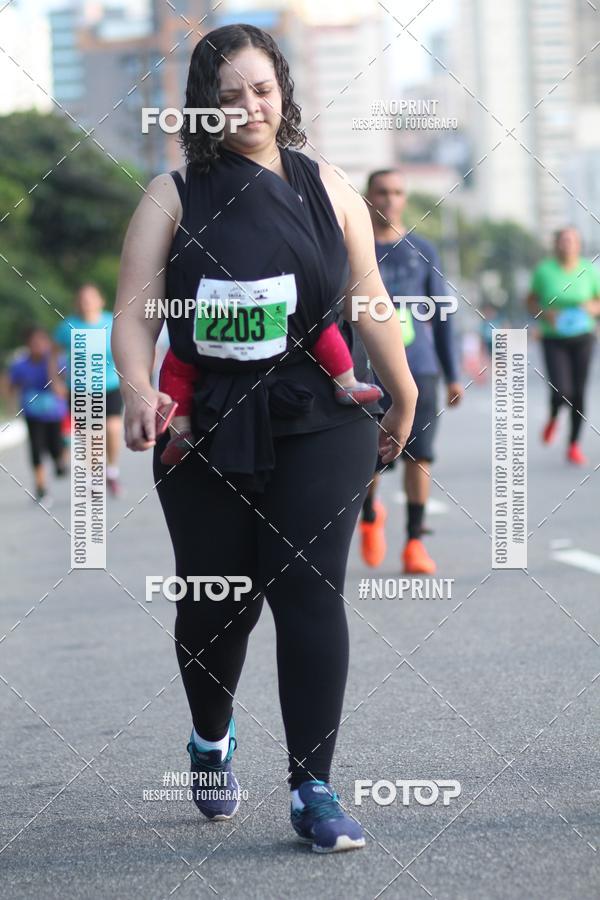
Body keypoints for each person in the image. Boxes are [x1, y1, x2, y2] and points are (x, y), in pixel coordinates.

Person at [112, 24, 417, 853]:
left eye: (261, 90)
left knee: (308, 589)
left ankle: (313, 788)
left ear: (283, 92)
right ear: (202, 108)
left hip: (320, 413)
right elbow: (134, 317)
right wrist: (139, 389)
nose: (248, 107)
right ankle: (210, 739)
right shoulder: (172, 195)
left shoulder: (330, 186)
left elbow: (369, 299)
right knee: (221, 602)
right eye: (228, 95)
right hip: (205, 423)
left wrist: (405, 389)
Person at [359, 169, 463, 574]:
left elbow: (442, 315)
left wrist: (452, 374)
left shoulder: (423, 250)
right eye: (382, 191)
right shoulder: (354, 245)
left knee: (420, 456)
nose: (390, 199)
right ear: (368, 197)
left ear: (405, 199)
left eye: (398, 192)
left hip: (419, 368)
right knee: (369, 458)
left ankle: (415, 542)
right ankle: (370, 513)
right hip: (367, 371)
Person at [158, 324, 383, 465]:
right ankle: (346, 382)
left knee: (176, 364)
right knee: (319, 325)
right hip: (278, 307)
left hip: (212, 316)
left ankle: (180, 431)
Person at [527, 226, 600, 465]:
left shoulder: (589, 270)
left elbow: (598, 302)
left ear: (578, 244)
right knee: (561, 390)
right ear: (556, 244)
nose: (567, 244)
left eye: (572, 240)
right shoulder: (544, 270)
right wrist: (544, 313)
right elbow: (530, 301)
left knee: (578, 392)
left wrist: (592, 308)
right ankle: (553, 416)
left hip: (583, 336)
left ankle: (573, 445)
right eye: (563, 240)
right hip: (554, 338)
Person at [52, 284, 124, 495]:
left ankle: (112, 469)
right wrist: (55, 381)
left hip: (109, 385)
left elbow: (126, 349)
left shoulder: (112, 322)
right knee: (89, 435)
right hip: (80, 388)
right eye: (82, 299)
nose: (87, 303)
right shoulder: (67, 326)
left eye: (91, 298)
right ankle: (94, 476)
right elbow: (53, 355)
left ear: (101, 301)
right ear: (77, 303)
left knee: (112, 428)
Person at [6, 325, 68, 505]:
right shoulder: (20, 365)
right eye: (34, 343)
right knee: (36, 449)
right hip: (32, 413)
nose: (38, 346)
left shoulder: (57, 361)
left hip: (54, 412)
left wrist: (51, 364)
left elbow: (64, 384)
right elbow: (12, 385)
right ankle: (41, 488)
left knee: (55, 448)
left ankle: (60, 459)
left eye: (42, 342)